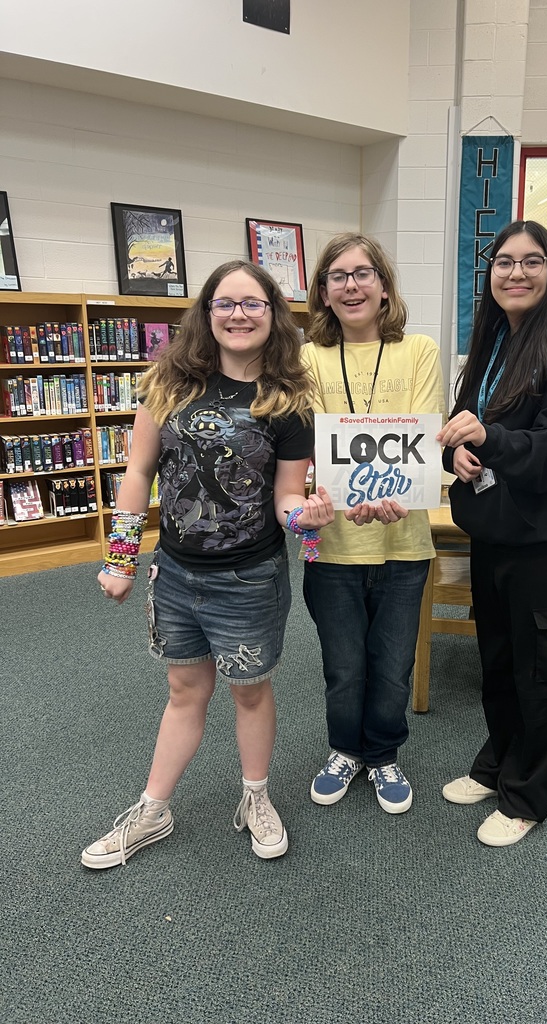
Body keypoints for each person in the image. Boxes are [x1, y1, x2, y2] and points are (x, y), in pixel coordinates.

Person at [81, 259, 334, 869]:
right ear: (208, 312)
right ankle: (153, 809)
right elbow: (138, 473)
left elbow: (285, 499)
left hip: (250, 578)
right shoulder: (167, 383)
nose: (239, 314)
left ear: (273, 316)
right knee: (183, 690)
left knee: (250, 691)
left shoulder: (289, 401)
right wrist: (120, 557)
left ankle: (255, 798)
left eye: (253, 304)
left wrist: (306, 520)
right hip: (176, 574)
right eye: (226, 303)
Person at [437, 220, 547, 848]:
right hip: (497, 530)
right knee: (500, 660)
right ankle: (498, 762)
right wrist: (458, 455)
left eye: (531, 261)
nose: (516, 272)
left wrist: (490, 439)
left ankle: (528, 796)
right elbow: (474, 425)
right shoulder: (495, 338)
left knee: (543, 669)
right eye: (505, 261)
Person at [301, 233, 444, 814]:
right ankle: (344, 750)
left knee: (392, 666)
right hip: (327, 541)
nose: (351, 284)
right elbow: (304, 445)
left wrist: (395, 493)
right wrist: (332, 492)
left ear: (384, 287)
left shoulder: (421, 351)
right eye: (338, 275)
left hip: (403, 539)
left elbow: (421, 433)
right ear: (324, 292)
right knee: (343, 667)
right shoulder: (305, 357)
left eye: (363, 274)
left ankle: (383, 754)